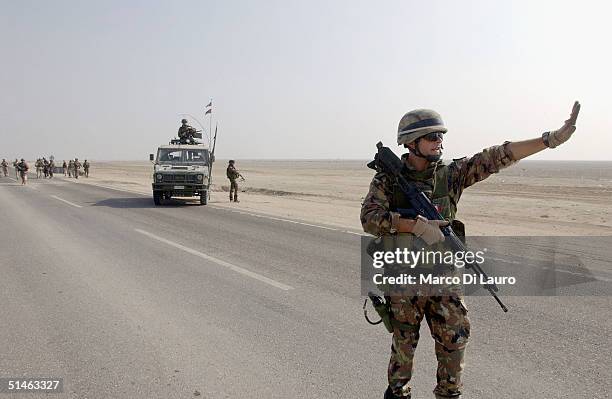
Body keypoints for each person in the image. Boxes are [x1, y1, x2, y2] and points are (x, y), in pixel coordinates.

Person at [360, 102, 580, 399]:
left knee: (455, 345)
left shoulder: (451, 174)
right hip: (404, 282)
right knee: (403, 354)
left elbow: (495, 157)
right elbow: (370, 219)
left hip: (444, 281)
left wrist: (548, 140)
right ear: (412, 144)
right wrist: (412, 226)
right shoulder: (387, 180)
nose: (440, 142)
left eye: (441, 136)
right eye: (433, 137)